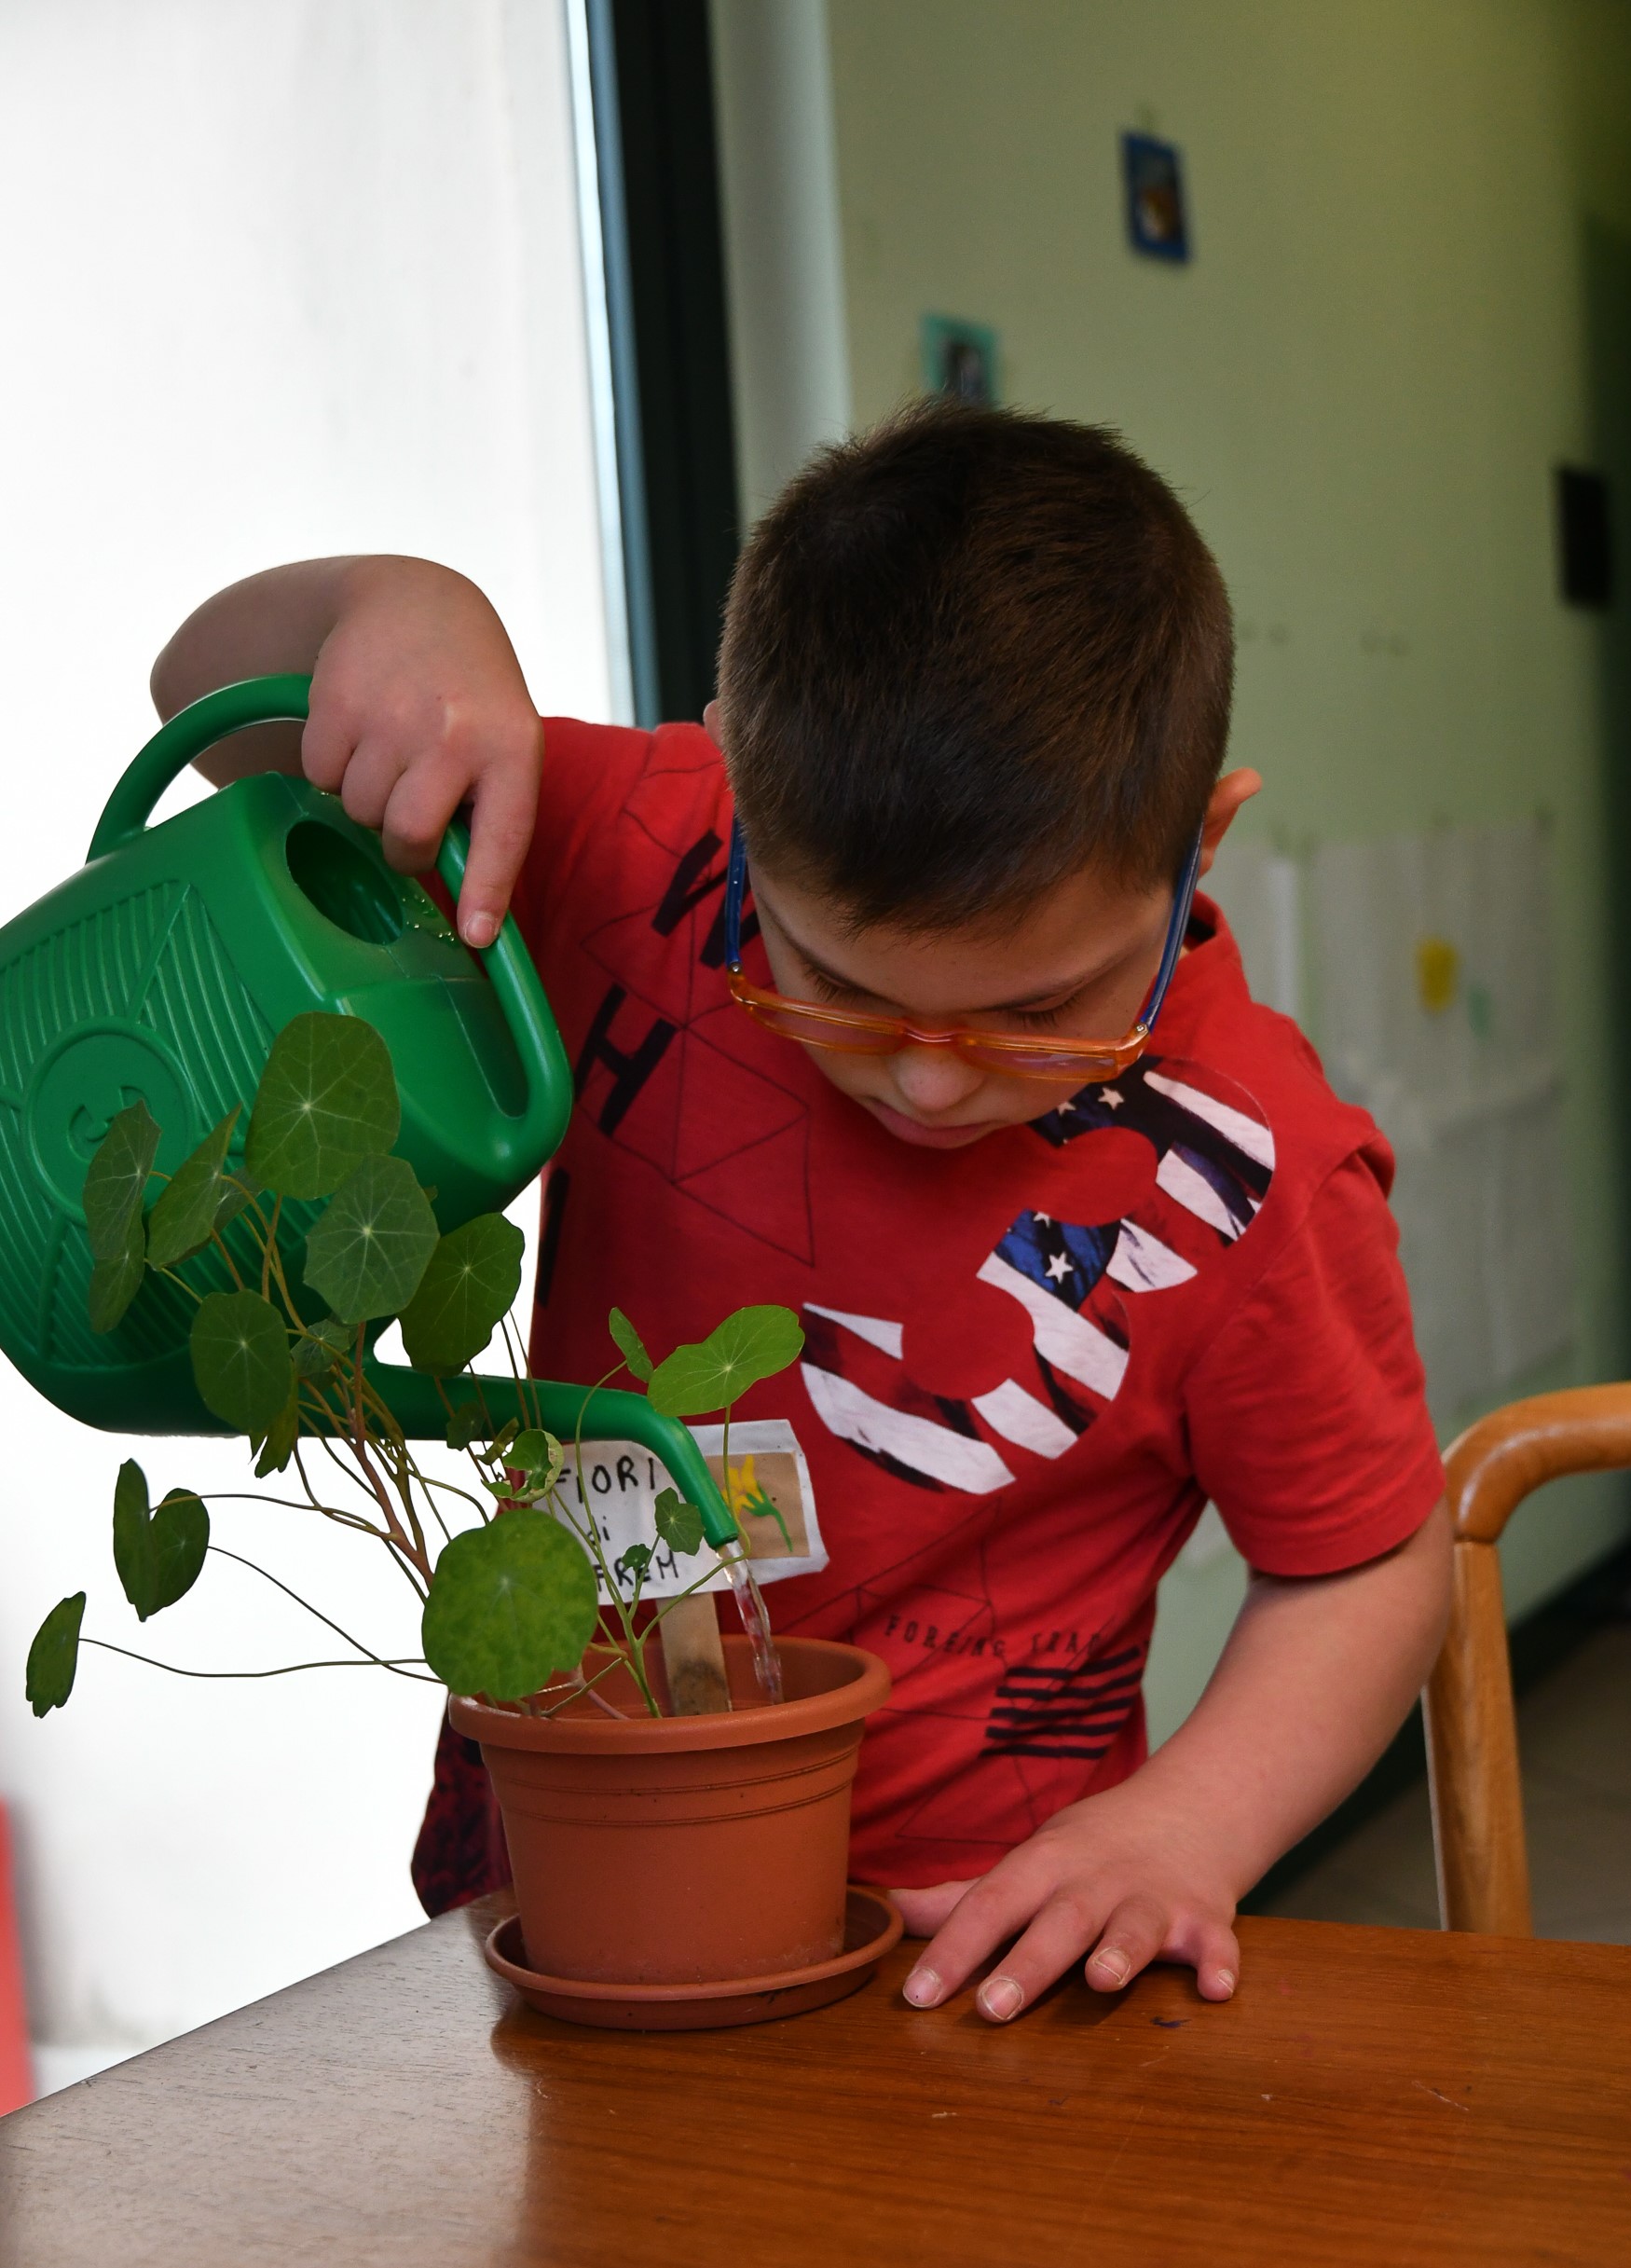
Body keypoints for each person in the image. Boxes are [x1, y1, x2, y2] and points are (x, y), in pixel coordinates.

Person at [153, 401, 1450, 2025]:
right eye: (835, 985)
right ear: (730, 777)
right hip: (570, 1874)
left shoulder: (1256, 1168)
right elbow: (200, 703)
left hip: (985, 1940)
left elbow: (1367, 1564)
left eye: (1036, 1011)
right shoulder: (627, 852)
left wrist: (1187, 1823)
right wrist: (389, 605)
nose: (925, 1084)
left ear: (1209, 838)